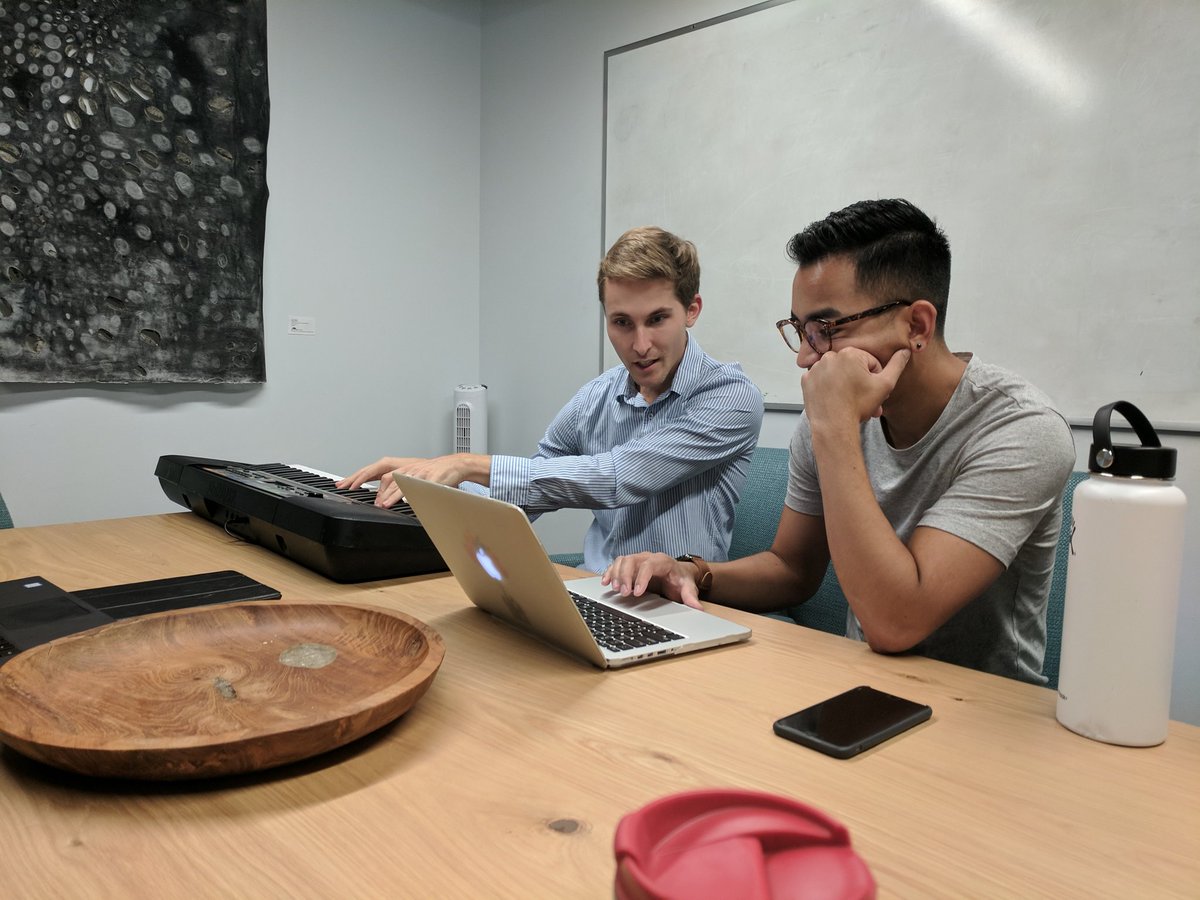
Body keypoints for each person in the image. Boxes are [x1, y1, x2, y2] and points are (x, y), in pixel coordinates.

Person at [603, 199, 1075, 684]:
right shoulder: (833, 414)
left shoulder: (1022, 429)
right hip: (863, 684)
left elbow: (895, 622)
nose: (806, 357)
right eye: (800, 330)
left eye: (826, 329)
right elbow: (792, 568)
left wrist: (834, 426)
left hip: (985, 706)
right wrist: (691, 573)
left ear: (917, 326)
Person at [338, 226, 764, 573]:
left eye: (657, 319)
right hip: (600, 592)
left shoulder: (730, 396)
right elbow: (525, 495)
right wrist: (424, 483)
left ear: (692, 310)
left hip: (685, 607)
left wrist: (466, 462)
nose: (639, 344)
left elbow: (618, 477)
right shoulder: (595, 398)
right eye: (621, 322)